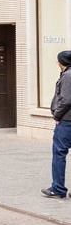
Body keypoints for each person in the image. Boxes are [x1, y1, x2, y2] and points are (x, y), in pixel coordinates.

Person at [43, 50, 71, 199]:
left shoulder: (67, 75)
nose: (57, 63)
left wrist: (57, 114)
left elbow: (66, 100)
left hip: (66, 122)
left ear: (63, 62)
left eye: (58, 61)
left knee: (59, 154)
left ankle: (58, 188)